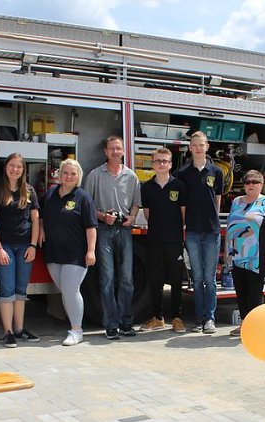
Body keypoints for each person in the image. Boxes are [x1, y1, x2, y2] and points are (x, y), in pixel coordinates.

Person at [85, 135, 141, 340]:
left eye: (118, 148)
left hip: (124, 230)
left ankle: (126, 322)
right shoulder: (95, 175)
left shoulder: (131, 176)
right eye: (112, 148)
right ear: (105, 152)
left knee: (127, 279)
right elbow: (87, 205)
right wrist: (103, 216)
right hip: (103, 230)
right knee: (107, 278)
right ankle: (111, 325)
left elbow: (136, 203)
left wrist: (132, 217)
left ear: (124, 151)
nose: (115, 152)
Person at [39, 159, 97, 346]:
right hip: (53, 252)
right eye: (66, 173)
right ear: (59, 174)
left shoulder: (83, 198)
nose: (69, 177)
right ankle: (73, 325)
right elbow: (40, 216)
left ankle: (77, 330)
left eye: (73, 174)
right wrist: (41, 229)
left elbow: (91, 227)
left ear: (79, 176)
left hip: (75, 254)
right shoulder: (50, 194)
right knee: (65, 291)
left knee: (71, 291)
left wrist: (91, 251)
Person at [0, 153, 41, 348]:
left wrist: (33, 246)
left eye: (19, 166)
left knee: (20, 289)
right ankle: (8, 332)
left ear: (23, 170)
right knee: (7, 288)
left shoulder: (29, 191)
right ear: (6, 167)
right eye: (12, 166)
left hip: (25, 246)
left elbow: (35, 220)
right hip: (5, 247)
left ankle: (19, 329)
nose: (15, 169)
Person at [176, 130, 223, 334]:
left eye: (201, 144)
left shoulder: (216, 172)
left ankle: (210, 319)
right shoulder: (182, 173)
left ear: (207, 147)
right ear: (189, 147)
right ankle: (199, 319)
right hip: (193, 231)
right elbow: (182, 204)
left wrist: (214, 221)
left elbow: (217, 200)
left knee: (210, 279)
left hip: (212, 231)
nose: (197, 148)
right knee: (197, 278)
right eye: (194, 145)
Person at [225, 170, 265, 337]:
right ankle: (244, 324)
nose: (250, 185)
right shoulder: (236, 202)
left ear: (261, 184)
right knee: (240, 291)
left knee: (255, 292)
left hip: (256, 255)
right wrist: (227, 251)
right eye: (247, 182)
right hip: (237, 254)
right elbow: (231, 227)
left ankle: (255, 327)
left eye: (255, 182)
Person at [140, 147, 187, 333]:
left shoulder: (179, 186)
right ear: (153, 164)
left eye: (165, 161)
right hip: (154, 240)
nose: (161, 164)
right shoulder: (146, 187)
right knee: (155, 280)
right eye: (158, 161)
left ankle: (177, 318)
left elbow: (183, 214)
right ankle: (158, 318)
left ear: (170, 164)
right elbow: (147, 214)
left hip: (174, 240)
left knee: (176, 280)